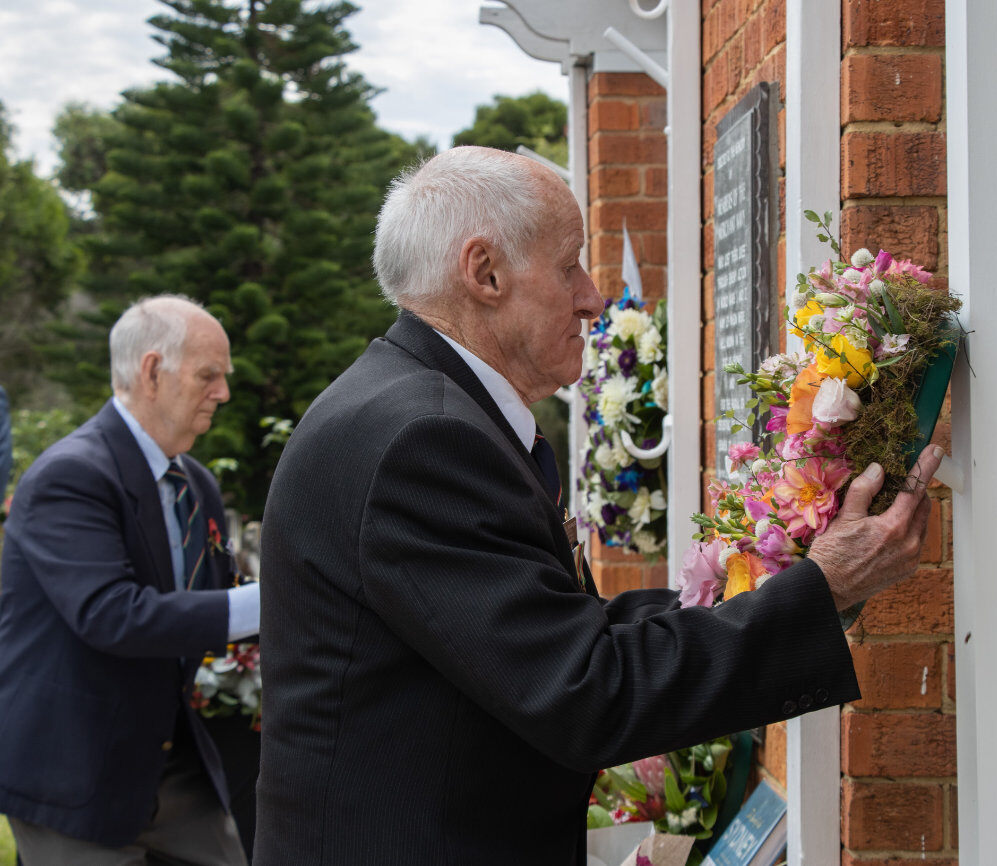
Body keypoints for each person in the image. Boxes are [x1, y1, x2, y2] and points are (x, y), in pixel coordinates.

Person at [254, 146, 941, 865]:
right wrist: (822, 588)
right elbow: (583, 690)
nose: (593, 297)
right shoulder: (423, 440)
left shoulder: (422, 411)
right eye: (570, 264)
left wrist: (756, 581)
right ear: (484, 272)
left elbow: (544, 630)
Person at [0, 296, 259, 866]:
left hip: (171, 762)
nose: (223, 393)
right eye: (208, 375)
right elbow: (112, 614)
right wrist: (274, 601)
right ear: (150, 372)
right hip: (72, 769)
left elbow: (217, 596)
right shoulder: (69, 476)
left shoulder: (195, 482)